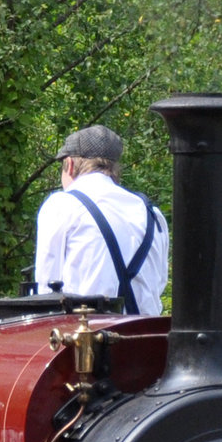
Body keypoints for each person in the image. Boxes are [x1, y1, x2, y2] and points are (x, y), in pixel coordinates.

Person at [32, 123, 169, 313]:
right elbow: (159, 282)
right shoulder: (153, 214)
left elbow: (47, 291)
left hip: (86, 334)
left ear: (69, 165)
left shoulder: (61, 205)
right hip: (145, 335)